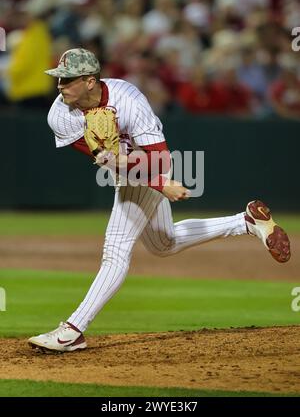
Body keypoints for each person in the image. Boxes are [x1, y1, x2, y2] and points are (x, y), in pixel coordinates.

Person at [28, 48, 291, 353]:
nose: (60, 86)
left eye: (67, 80)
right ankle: (245, 221)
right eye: (59, 79)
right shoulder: (59, 114)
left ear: (89, 81)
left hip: (150, 163)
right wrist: (111, 159)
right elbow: (102, 158)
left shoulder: (128, 99)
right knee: (163, 244)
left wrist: (160, 182)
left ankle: (72, 330)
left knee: (115, 250)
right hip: (125, 168)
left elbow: (159, 158)